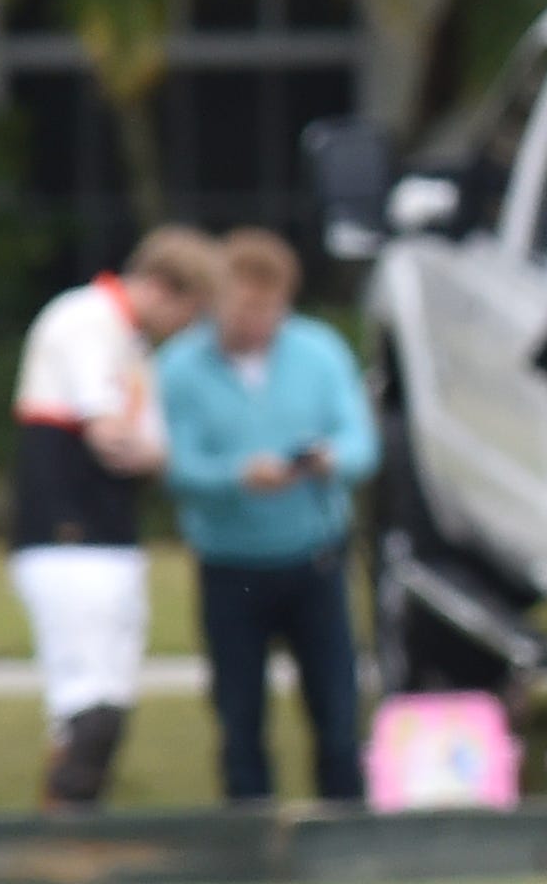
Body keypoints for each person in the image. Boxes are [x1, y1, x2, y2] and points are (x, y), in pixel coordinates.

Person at [156, 228, 377, 805]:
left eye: (268, 309)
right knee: (240, 717)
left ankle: (346, 838)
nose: (256, 322)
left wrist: (328, 460)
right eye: (244, 307)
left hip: (315, 556)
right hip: (231, 565)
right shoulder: (179, 367)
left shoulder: (320, 351)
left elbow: (361, 444)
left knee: (336, 713)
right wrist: (236, 476)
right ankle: (250, 847)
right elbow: (174, 467)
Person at [8, 225, 215, 810]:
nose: (186, 328)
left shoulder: (133, 344)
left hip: (111, 533)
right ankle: (64, 838)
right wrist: (163, 457)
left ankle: (76, 832)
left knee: (110, 706)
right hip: (67, 536)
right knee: (88, 712)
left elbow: (148, 447)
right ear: (165, 288)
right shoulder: (86, 321)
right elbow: (115, 441)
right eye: (190, 311)